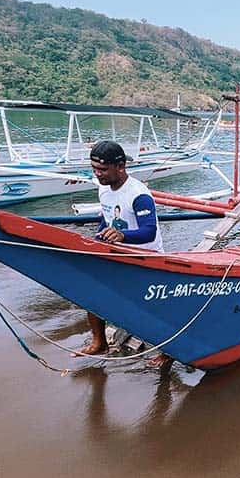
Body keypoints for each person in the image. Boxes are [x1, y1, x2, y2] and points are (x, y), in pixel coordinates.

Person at [81, 140, 164, 356]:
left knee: (155, 309)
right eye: (94, 169)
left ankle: (168, 353)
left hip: (147, 259)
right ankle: (100, 343)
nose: (98, 174)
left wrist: (121, 235)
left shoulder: (139, 195)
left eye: (102, 169)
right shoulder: (104, 188)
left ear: (120, 166)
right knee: (89, 291)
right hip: (119, 253)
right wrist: (100, 235)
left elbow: (149, 231)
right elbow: (108, 218)